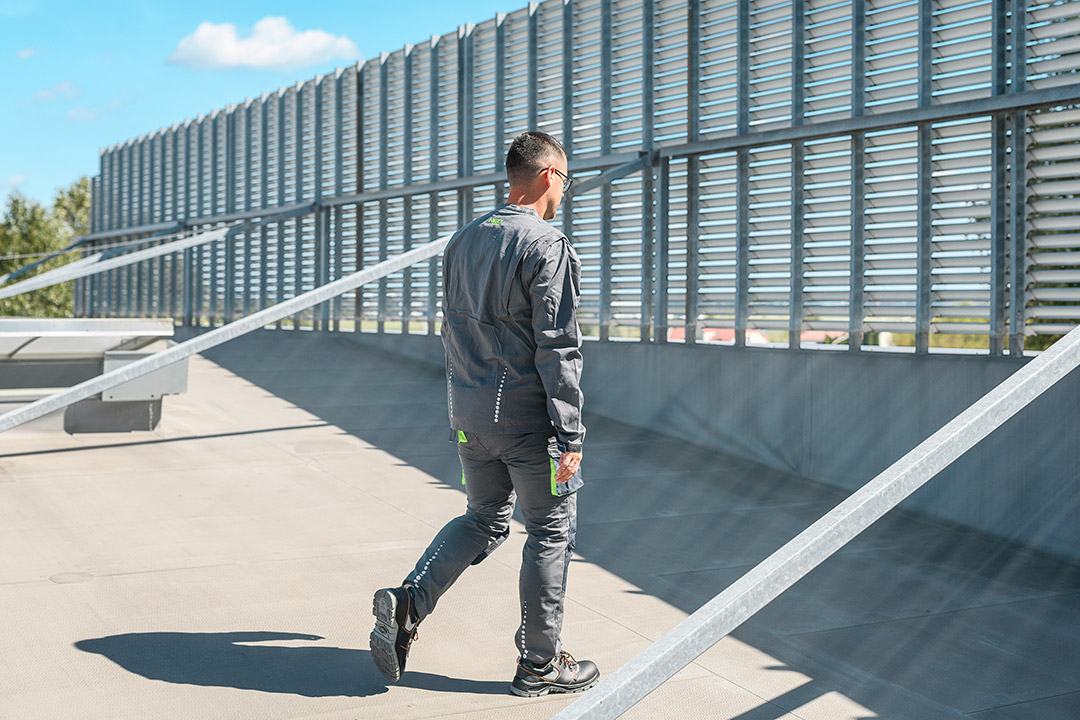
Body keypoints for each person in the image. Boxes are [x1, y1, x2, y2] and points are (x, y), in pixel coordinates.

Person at [369, 130, 600, 697]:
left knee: (483, 518)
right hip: (529, 423)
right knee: (549, 532)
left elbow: (452, 331)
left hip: (471, 417)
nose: (564, 192)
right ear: (547, 175)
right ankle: (539, 665)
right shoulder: (546, 244)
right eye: (566, 180)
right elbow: (558, 346)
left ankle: (409, 603)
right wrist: (570, 433)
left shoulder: (463, 240)